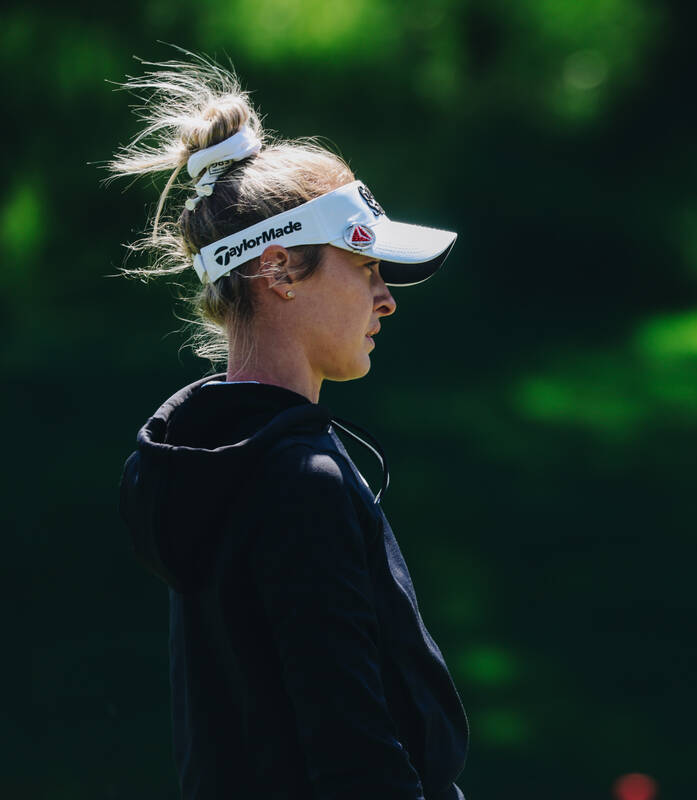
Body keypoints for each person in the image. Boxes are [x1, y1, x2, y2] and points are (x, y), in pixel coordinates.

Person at [112, 57, 469, 800]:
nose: (386, 298)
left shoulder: (201, 459)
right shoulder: (300, 482)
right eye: (365, 263)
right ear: (278, 271)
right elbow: (354, 760)